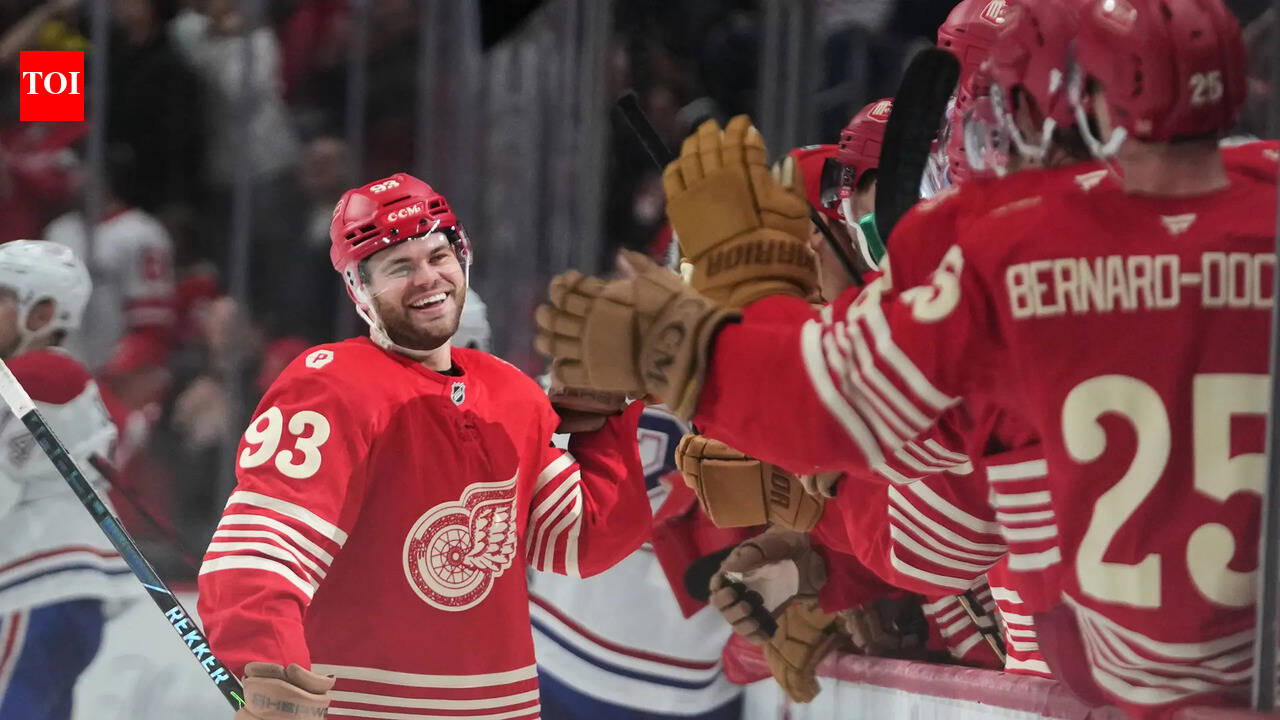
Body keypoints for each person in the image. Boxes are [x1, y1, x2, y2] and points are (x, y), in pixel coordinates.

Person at [535, 0, 1268, 715]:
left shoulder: (1007, 252)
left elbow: (902, 505)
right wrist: (828, 570)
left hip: (1109, 687)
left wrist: (704, 339)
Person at [198, 173, 651, 720]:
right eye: (399, 267)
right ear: (358, 289)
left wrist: (606, 424)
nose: (427, 278)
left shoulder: (510, 392)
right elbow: (254, 562)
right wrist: (274, 688)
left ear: (463, 257)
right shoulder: (331, 386)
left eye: (438, 255)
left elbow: (581, 542)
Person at [0, 241, 137, 720]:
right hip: (66, 593)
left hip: (35, 586)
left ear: (42, 312)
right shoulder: (63, 376)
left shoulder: (40, 372)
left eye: (1, 297)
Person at [45, 145, 177, 372]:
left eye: (75, 171)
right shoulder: (58, 230)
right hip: (62, 370)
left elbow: (152, 325)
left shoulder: (142, 233)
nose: (68, 180)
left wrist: (119, 372)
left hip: (117, 375)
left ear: (101, 176)